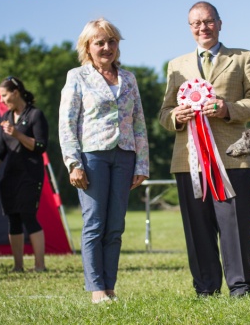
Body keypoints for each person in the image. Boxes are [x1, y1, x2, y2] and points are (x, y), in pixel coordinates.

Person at [159, 1, 250, 297]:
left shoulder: (243, 57)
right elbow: (164, 112)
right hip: (188, 161)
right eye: (196, 23)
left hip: (232, 159)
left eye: (208, 22)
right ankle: (205, 288)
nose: (202, 28)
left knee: (235, 228)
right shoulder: (176, 65)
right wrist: (175, 117)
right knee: (198, 229)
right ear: (190, 28)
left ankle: (242, 287)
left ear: (220, 23)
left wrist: (227, 108)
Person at [59, 18, 149, 304]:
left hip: (125, 156)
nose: (107, 47)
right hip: (91, 157)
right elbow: (67, 123)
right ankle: (97, 289)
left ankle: (110, 287)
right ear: (88, 46)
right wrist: (73, 163)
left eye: (112, 41)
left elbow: (139, 123)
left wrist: (142, 164)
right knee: (95, 223)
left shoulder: (129, 78)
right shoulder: (77, 76)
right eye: (100, 42)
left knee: (115, 226)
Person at [0, 76, 48, 273]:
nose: (1, 100)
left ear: (16, 92)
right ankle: (18, 266)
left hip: (30, 174)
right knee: (13, 218)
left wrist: (17, 134)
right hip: (10, 176)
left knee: (29, 216)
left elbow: (40, 146)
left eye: (4, 95)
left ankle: (39, 265)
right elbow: (0, 149)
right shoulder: (6, 119)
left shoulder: (36, 115)